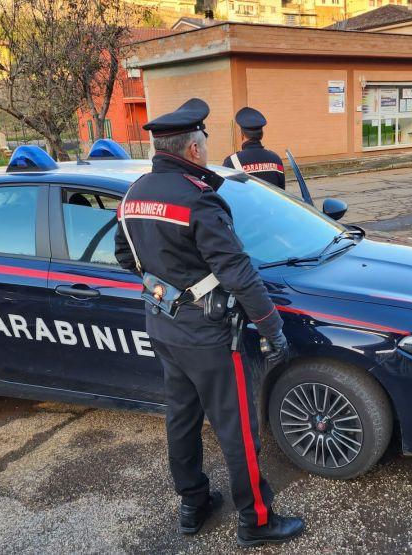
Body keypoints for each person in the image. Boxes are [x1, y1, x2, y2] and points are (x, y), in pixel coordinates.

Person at [113, 98, 305, 547]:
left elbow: (126, 257)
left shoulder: (133, 193)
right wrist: (273, 329)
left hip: (163, 325)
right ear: (193, 150)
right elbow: (239, 272)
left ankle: (193, 504)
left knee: (180, 419)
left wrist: (168, 284)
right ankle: (256, 521)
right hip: (210, 335)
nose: (206, 147)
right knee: (236, 428)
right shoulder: (198, 201)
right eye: (204, 141)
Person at [223, 107, 286, 189]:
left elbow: (227, 192)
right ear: (262, 135)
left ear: (242, 134)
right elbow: (282, 192)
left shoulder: (232, 162)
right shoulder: (275, 159)